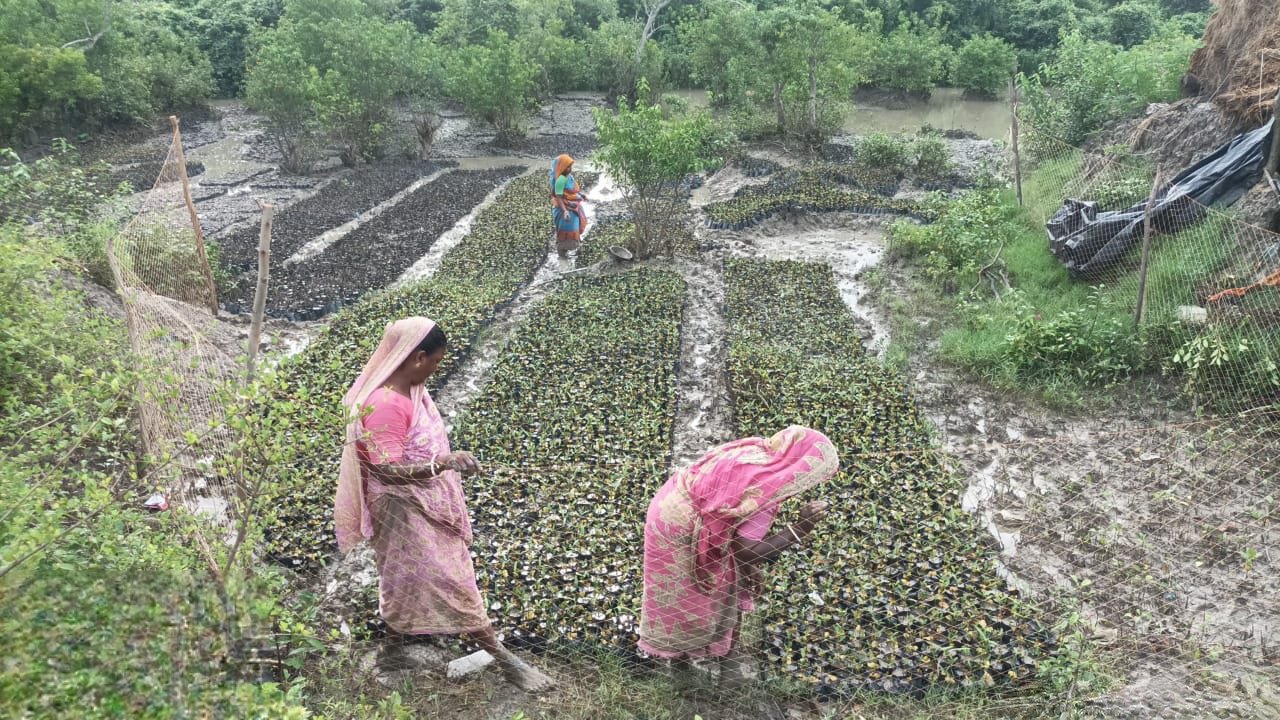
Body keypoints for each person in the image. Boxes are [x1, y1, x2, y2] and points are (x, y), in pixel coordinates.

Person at [334, 316, 554, 692]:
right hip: (403, 510)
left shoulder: (411, 391)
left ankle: (392, 647)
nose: (438, 368)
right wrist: (442, 463)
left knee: (402, 578)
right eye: (436, 361)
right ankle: (507, 662)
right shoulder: (386, 403)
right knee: (453, 581)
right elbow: (385, 472)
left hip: (422, 503)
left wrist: (445, 465)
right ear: (418, 357)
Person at [638, 426, 839, 687]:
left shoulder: (756, 453)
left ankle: (688, 663)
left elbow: (733, 531)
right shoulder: (764, 487)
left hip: (667, 508)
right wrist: (800, 528)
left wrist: (747, 567)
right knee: (706, 594)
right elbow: (746, 552)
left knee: (686, 594)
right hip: (681, 529)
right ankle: (713, 668)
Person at [550, 153, 590, 257]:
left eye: (570, 166)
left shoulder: (570, 177)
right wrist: (565, 211)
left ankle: (575, 242)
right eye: (567, 166)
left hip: (574, 206)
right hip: (564, 208)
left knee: (575, 227)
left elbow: (574, 190)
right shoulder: (560, 180)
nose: (570, 168)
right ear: (562, 167)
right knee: (566, 230)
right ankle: (562, 251)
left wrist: (582, 195)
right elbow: (558, 196)